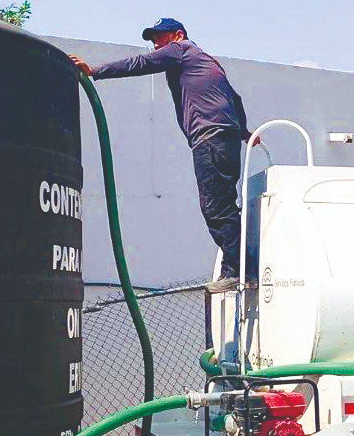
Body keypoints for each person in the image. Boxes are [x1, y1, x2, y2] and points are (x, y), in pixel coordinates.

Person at [70, 17, 255, 294]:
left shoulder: (180, 50)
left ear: (178, 35)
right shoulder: (208, 62)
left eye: (160, 38)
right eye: (153, 40)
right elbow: (234, 98)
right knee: (226, 205)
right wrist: (244, 132)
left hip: (209, 139)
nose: (155, 45)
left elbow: (139, 64)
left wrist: (95, 71)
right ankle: (244, 266)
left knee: (215, 207)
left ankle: (238, 270)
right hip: (226, 140)